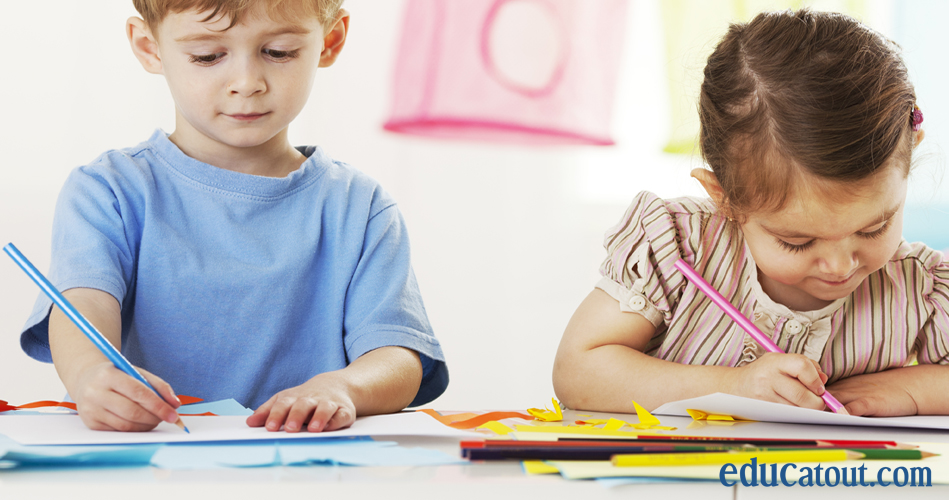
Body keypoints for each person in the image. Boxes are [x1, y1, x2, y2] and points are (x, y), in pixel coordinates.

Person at [18, 0, 448, 433]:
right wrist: (89, 373)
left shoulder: (361, 207)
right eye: (207, 56)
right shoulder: (108, 190)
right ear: (150, 48)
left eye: (279, 52)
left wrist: (344, 388)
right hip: (142, 463)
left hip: (304, 469)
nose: (247, 83)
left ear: (329, 41)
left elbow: (398, 355)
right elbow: (83, 305)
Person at [553, 9, 948, 417]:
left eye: (873, 228)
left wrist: (914, 389)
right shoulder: (678, 247)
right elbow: (577, 372)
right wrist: (734, 387)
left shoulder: (919, 286)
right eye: (796, 241)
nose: (839, 265)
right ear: (725, 198)